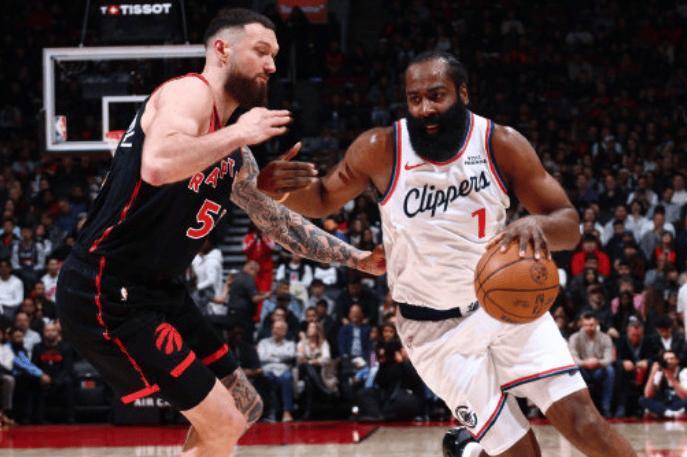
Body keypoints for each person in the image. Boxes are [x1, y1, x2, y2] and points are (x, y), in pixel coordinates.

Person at [263, 50, 636, 456]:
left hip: (507, 307)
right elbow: (321, 199)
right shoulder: (380, 148)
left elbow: (569, 226)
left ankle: (469, 451)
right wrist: (278, 190)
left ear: (463, 93)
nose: (425, 108)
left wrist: (538, 226)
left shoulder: (500, 143)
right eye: (415, 98)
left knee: (583, 421)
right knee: (521, 452)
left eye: (436, 95)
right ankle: (473, 450)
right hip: (434, 331)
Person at [55, 8, 383, 457]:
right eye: (261, 51)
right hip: (107, 287)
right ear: (222, 50)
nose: (272, 65)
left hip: (160, 292)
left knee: (245, 406)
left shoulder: (235, 155)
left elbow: (279, 223)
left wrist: (356, 258)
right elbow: (157, 165)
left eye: (275, 55)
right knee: (225, 421)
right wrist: (240, 133)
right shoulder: (189, 92)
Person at [568, 313, 615, 417]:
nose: (589, 328)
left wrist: (598, 362)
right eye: (586, 325)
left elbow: (608, 359)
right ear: (581, 325)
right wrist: (585, 363)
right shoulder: (574, 338)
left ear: (597, 323)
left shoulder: (606, 338)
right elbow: (573, 358)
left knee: (610, 370)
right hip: (582, 370)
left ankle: (606, 407)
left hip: (599, 369)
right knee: (572, 370)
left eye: (591, 325)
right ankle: (577, 409)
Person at [257, 319, 296, 422]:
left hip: (283, 370)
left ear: (285, 331)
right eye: (274, 328)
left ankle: (286, 412)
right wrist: (280, 357)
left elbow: (290, 355)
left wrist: (271, 355)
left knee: (287, 378)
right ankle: (271, 413)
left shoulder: (290, 344)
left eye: (279, 328)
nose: (275, 330)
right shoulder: (263, 342)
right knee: (267, 379)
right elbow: (261, 357)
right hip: (268, 370)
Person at [639, 349, 687, 418]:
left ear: (677, 360)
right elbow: (648, 394)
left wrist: (672, 379)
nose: (669, 361)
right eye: (666, 359)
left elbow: (685, 396)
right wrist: (652, 373)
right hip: (665, 402)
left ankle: (661, 411)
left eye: (671, 359)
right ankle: (668, 412)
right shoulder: (660, 371)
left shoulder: (683, 372)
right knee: (642, 399)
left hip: (678, 402)